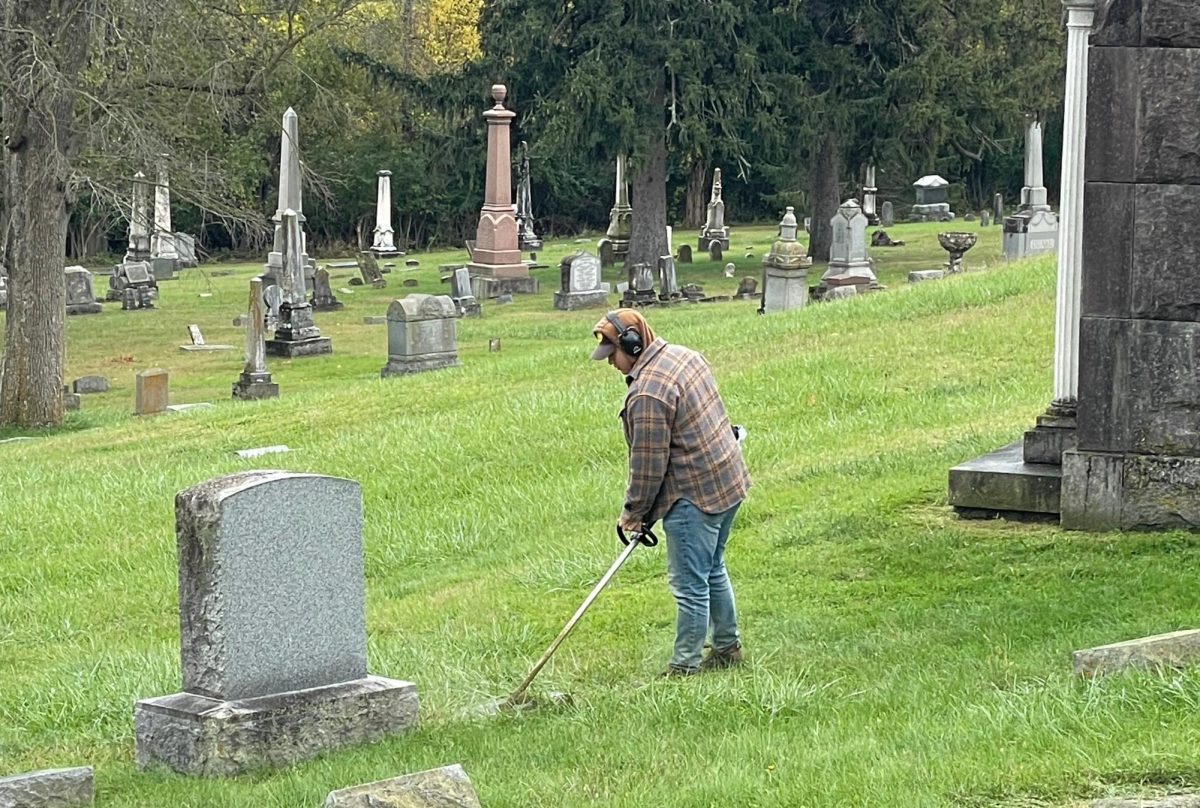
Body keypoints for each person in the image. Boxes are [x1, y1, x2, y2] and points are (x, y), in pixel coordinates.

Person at [591, 308, 751, 676]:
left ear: (633, 343)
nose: (611, 364)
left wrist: (633, 514)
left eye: (613, 354)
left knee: (689, 584)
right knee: (712, 567)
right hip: (729, 481)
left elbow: (648, 466)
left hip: (694, 496)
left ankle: (685, 666)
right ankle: (727, 647)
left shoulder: (648, 393)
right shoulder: (685, 355)